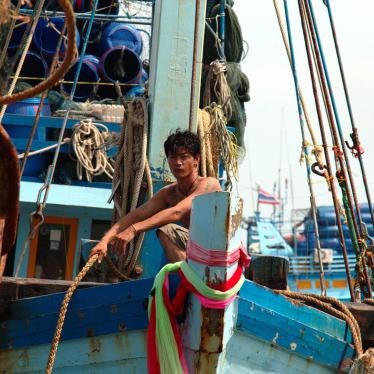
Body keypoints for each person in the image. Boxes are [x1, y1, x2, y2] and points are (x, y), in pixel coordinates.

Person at [90, 129, 221, 263]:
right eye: (173, 157)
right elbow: (136, 215)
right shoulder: (168, 193)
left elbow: (177, 212)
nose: (178, 162)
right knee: (166, 232)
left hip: (219, 249)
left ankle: (189, 277)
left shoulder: (209, 184)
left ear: (196, 159)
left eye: (184, 157)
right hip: (197, 248)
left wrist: (133, 229)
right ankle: (186, 275)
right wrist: (104, 242)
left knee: (166, 231)